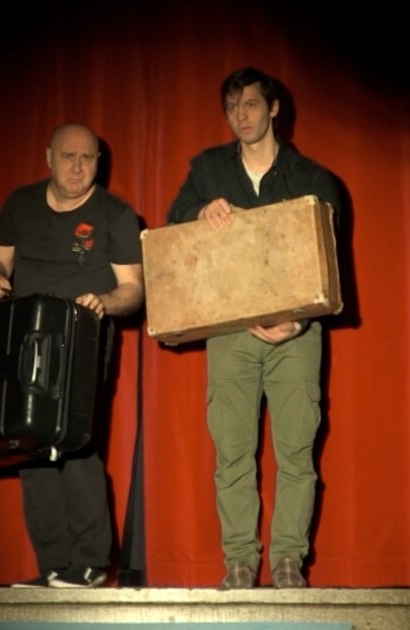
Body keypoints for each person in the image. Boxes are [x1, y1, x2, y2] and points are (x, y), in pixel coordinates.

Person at [166, 67, 342, 589]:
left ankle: (288, 562)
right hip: (231, 332)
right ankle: (240, 563)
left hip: (297, 335)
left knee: (296, 451)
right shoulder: (208, 171)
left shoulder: (313, 179)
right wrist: (200, 210)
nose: (240, 116)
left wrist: (298, 320)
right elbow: (172, 230)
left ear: (273, 108)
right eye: (231, 107)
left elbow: (329, 266)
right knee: (232, 452)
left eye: (249, 104)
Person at [0, 123, 144, 588]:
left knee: (74, 444)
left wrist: (103, 302)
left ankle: (90, 562)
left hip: (81, 339)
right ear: (49, 157)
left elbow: (133, 290)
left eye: (87, 158)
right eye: (68, 156)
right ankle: (54, 566)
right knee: (31, 449)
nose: (77, 167)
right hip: (25, 336)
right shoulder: (21, 204)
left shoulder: (115, 214)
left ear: (98, 163)